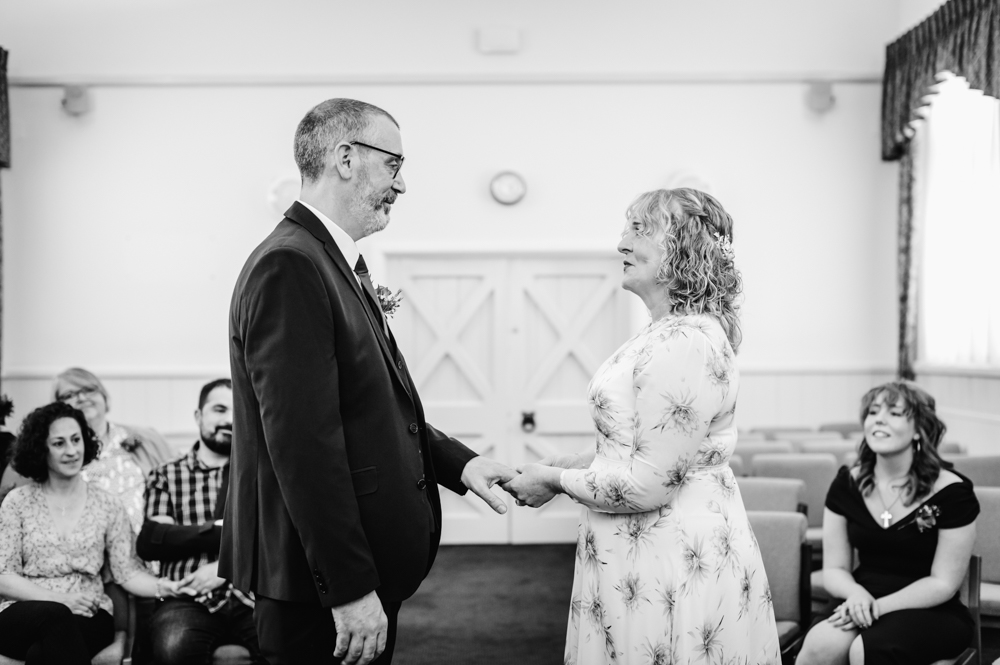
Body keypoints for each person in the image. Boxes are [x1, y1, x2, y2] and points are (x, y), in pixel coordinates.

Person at [220, 98, 517, 665]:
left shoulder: (328, 259)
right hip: (319, 581)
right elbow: (304, 444)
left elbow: (371, 404)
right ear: (346, 158)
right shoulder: (291, 265)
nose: (401, 186)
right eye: (394, 165)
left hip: (346, 568)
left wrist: (461, 464)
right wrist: (350, 587)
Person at [504, 188, 781, 664]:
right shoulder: (664, 331)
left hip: (670, 557)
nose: (621, 244)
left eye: (638, 229)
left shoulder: (686, 343)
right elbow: (643, 448)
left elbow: (648, 486)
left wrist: (554, 480)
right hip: (642, 553)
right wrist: (572, 463)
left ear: (684, 248)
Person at [796, 381, 978, 665]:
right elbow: (834, 569)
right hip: (862, 595)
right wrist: (856, 595)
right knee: (819, 647)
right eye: (873, 412)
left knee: (867, 650)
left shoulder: (952, 492)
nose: (879, 418)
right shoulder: (847, 484)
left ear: (919, 428)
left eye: (894, 413)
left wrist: (877, 607)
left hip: (931, 607)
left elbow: (944, 582)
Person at [0, 402, 186, 665]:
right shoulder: (17, 502)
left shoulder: (108, 504)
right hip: (23, 611)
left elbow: (127, 571)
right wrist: (62, 600)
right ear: (40, 448)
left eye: (76, 440)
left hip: (89, 613)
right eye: (59, 443)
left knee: (40, 654)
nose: (72, 450)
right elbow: (4, 577)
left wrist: (166, 586)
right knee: (55, 616)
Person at [137, 378, 264, 664]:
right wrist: (231, 533)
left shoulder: (259, 472)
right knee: (173, 646)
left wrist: (223, 568)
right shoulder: (166, 474)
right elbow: (158, 540)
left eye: (237, 410)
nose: (229, 419)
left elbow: (272, 539)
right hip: (186, 596)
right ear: (198, 416)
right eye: (219, 410)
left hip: (253, 594)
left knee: (288, 647)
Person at [0, 367, 173, 529]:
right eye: (70, 395)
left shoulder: (145, 438)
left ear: (105, 398)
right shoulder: (48, 450)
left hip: (146, 551)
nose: (82, 398)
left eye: (89, 390)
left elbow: (178, 480)